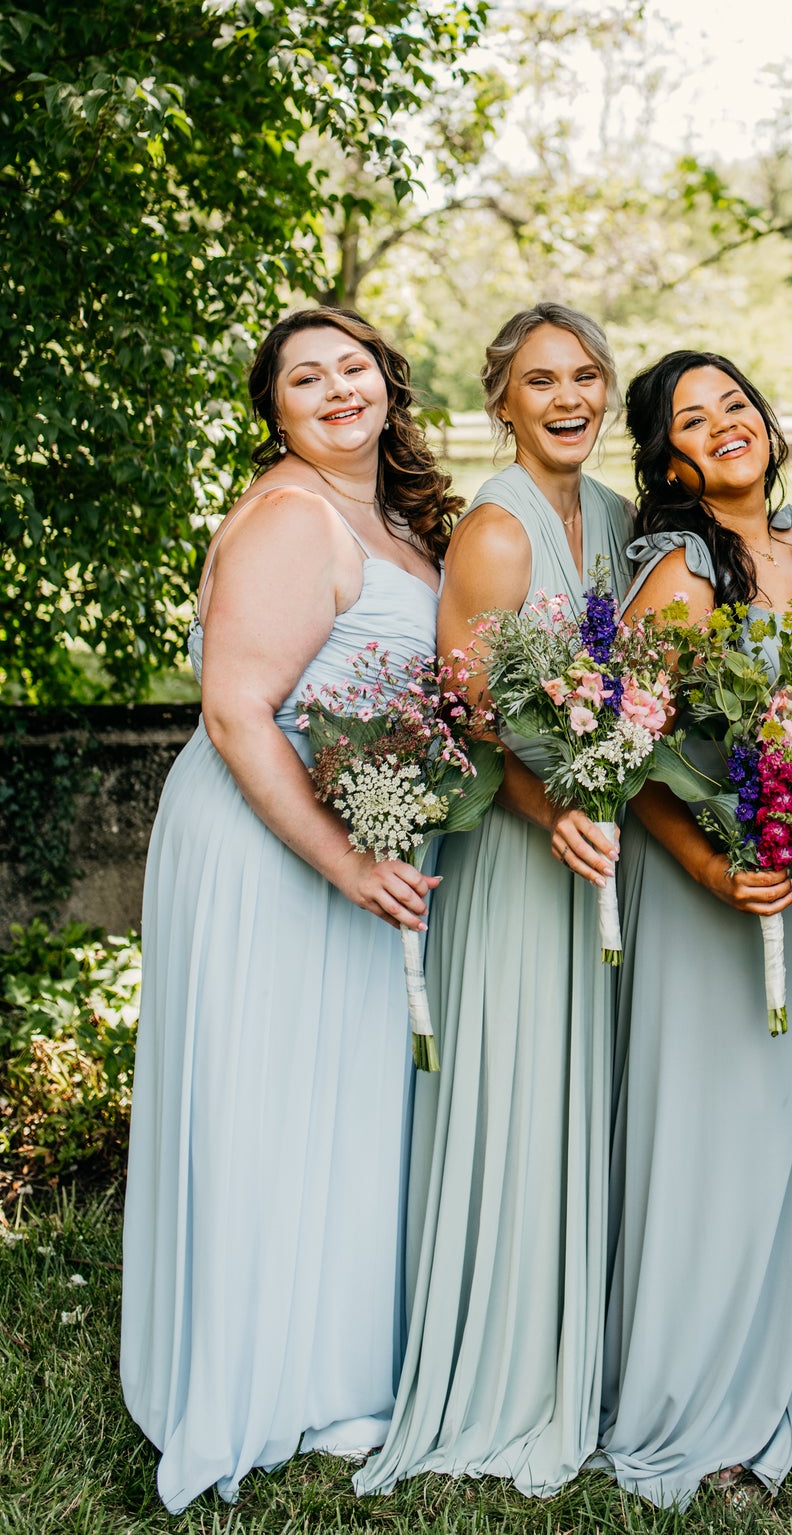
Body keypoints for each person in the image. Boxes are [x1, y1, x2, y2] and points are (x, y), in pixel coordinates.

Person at [122, 306, 454, 1513]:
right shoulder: (289, 514)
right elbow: (236, 711)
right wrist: (343, 859)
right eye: (304, 377)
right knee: (271, 1100)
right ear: (274, 409)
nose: (335, 389)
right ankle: (263, 1384)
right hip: (271, 840)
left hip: (341, 828)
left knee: (342, 1099)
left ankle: (333, 1362)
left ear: (386, 380)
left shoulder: (390, 514)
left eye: (352, 366)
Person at [356, 302, 633, 1499]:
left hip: (607, 856)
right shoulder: (495, 531)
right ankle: (507, 1371)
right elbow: (469, 720)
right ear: (501, 403)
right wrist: (551, 808)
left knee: (593, 1093)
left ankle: (592, 1351)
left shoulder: (617, 518)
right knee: (519, 1095)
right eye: (539, 381)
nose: (565, 397)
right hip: (522, 858)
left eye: (583, 376)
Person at [599, 352, 792, 1505]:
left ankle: (779, 1366)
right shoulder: (680, 570)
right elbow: (626, 756)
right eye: (693, 420)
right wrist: (710, 863)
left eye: (736, 404)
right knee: (709, 1139)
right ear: (668, 459)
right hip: (714, 887)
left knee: (784, 1137)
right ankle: (691, 1407)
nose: (727, 425)